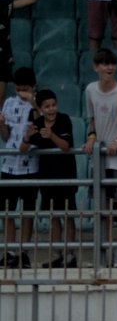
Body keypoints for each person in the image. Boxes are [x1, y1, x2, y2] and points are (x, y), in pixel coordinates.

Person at [81, 50, 117, 265]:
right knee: (103, 208)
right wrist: (92, 137)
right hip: (100, 158)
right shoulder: (90, 90)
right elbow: (91, 120)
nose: (109, 68)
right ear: (96, 67)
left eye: (112, 64)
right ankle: (104, 251)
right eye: (104, 64)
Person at [21, 86, 76, 268]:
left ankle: (70, 255)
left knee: (67, 216)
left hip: (66, 175)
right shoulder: (36, 124)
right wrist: (27, 138)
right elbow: (23, 149)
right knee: (53, 217)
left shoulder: (64, 120)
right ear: (41, 109)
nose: (51, 109)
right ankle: (56, 255)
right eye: (47, 106)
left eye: (53, 105)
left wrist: (51, 135)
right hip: (47, 177)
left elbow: (66, 146)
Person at [1, 67, 36, 266]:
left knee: (27, 212)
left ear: (33, 87)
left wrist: (32, 101)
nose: (21, 92)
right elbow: (5, 136)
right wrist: (2, 125)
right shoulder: (8, 103)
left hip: (30, 167)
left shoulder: (38, 104)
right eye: (18, 88)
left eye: (25, 88)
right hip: (9, 166)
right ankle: (10, 251)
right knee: (7, 211)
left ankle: (24, 252)